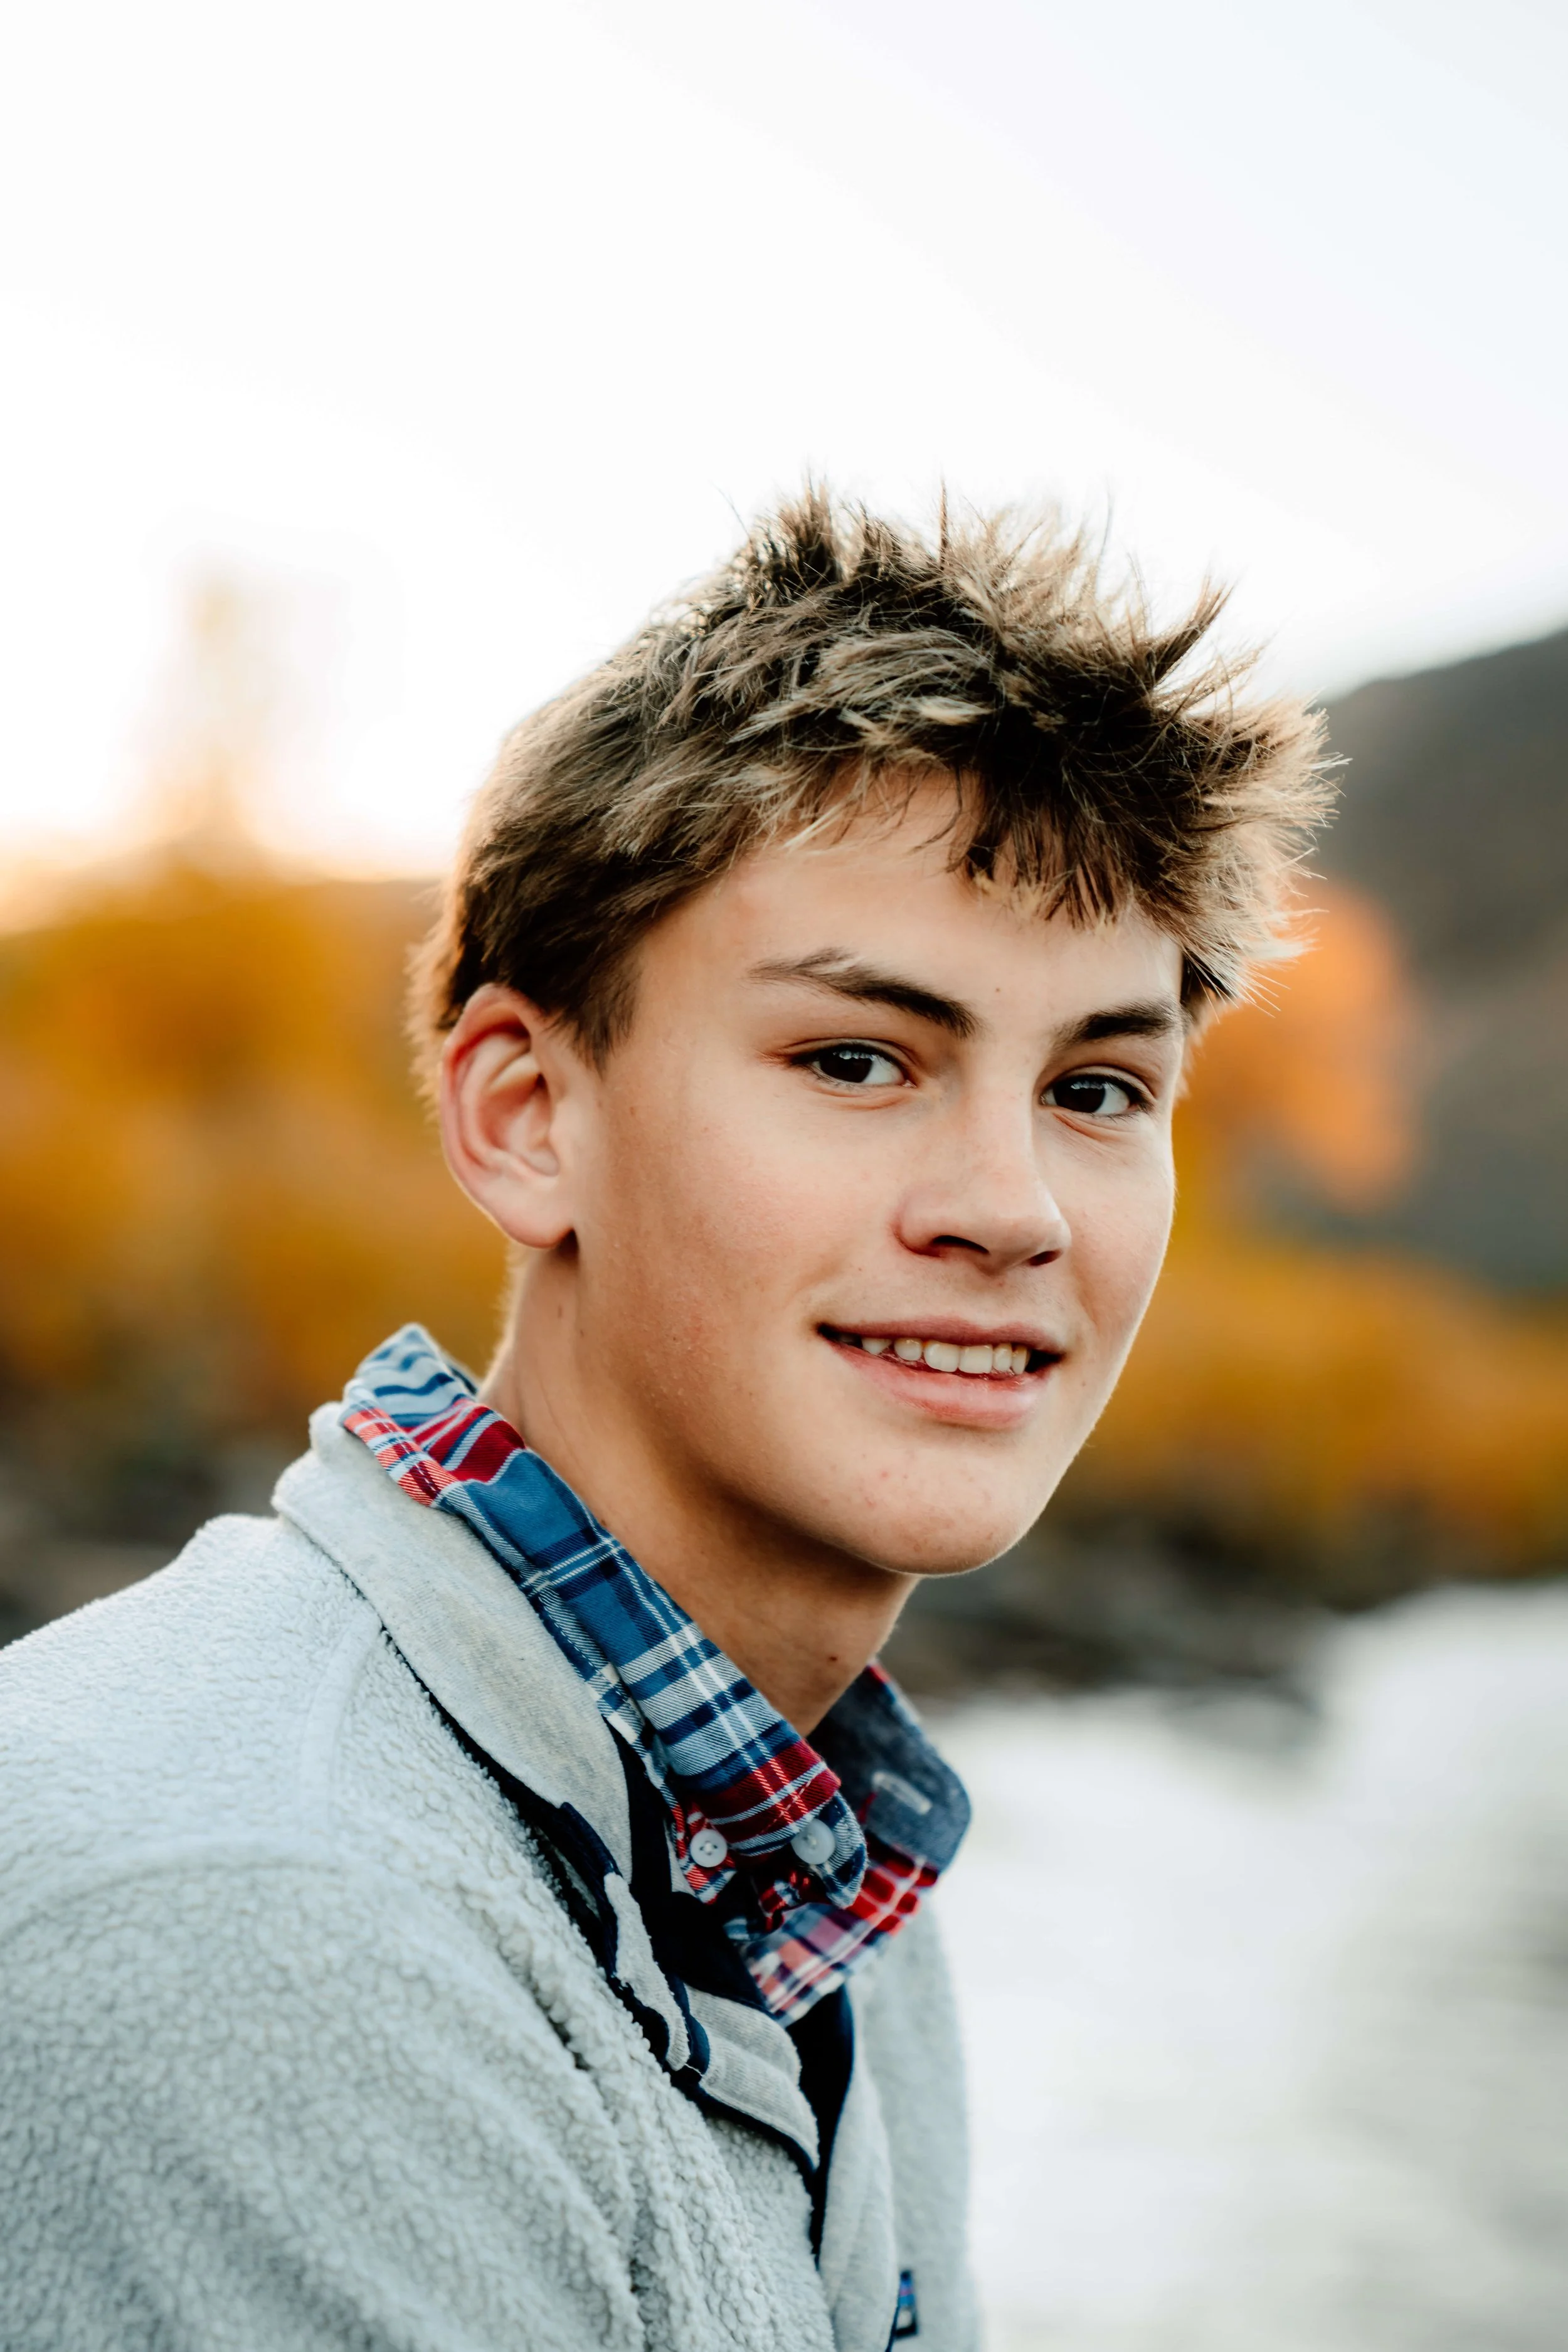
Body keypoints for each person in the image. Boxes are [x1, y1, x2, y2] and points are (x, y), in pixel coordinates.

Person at [0, 489, 1327, 2351]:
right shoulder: (259, 1927)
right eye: (857, 1058)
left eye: (1099, 1087)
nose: (1015, 1208)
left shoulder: (816, 1866)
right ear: (528, 1118)